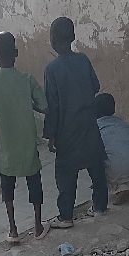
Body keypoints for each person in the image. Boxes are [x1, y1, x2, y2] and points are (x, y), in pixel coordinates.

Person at [0, 31, 50, 243]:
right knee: (34, 184)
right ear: (16, 53)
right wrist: (27, 104)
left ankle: (13, 230)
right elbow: (45, 107)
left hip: (7, 146)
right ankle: (38, 226)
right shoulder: (27, 80)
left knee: (8, 188)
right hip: (27, 143)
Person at [42, 17, 108, 228]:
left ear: (53, 39)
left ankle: (66, 216)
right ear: (72, 37)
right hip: (88, 125)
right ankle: (100, 206)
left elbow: (52, 106)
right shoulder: (83, 59)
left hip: (67, 131)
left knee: (65, 174)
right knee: (96, 167)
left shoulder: (51, 69)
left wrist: (51, 135)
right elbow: (96, 86)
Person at [95, 93, 129, 204]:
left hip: (115, 169)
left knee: (98, 162)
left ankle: (119, 188)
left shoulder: (95, 127)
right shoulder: (123, 124)